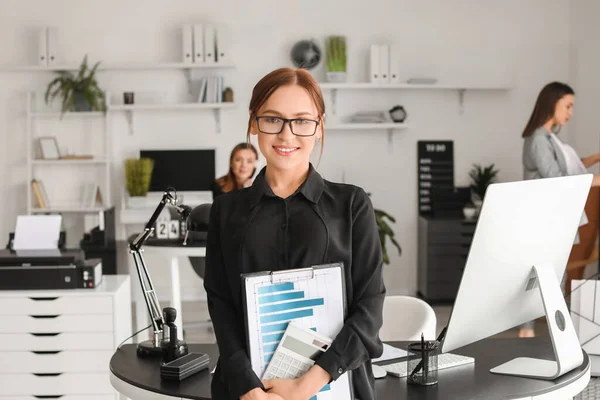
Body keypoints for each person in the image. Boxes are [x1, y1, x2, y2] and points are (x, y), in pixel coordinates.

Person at [204, 67, 385, 400]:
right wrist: (248, 387)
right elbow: (221, 306)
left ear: (319, 127)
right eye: (273, 119)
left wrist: (307, 384)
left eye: (302, 121)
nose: (287, 135)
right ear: (253, 123)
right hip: (247, 390)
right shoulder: (226, 211)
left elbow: (370, 307)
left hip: (335, 384)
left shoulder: (352, 205)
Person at [519, 81, 600, 338]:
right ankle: (531, 331)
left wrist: (596, 158)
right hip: (544, 216)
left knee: (556, 275)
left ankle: (554, 333)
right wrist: (596, 179)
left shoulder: (551, 138)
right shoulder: (538, 140)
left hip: (553, 216)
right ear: (551, 103)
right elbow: (558, 178)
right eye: (568, 105)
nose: (571, 112)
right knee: (544, 276)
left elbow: (572, 167)